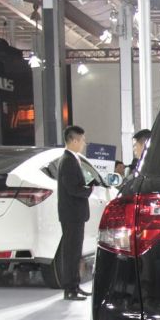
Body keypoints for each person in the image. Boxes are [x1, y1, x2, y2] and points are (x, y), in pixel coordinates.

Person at [57, 125, 95, 301]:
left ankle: (75, 285)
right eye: (82, 140)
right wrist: (89, 190)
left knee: (75, 252)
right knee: (71, 252)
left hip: (74, 214)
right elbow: (73, 188)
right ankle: (70, 288)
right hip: (71, 214)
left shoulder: (72, 159)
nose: (84, 143)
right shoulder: (68, 161)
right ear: (73, 140)